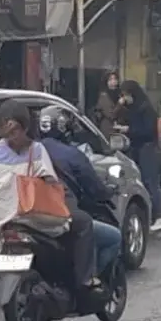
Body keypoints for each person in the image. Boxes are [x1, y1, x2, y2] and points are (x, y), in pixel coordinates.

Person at [0, 100, 100, 290]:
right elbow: (51, 183)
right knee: (83, 222)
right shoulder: (36, 150)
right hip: (32, 218)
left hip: (0, 221)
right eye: (9, 133)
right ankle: (85, 280)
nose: (12, 138)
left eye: (15, 132)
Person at [37, 105, 122, 275]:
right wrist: (109, 191)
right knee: (113, 237)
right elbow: (94, 187)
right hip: (58, 216)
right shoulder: (72, 155)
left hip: (24, 216)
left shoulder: (27, 152)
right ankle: (90, 279)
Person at [118, 80, 161, 232]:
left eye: (126, 95)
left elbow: (147, 132)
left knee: (150, 182)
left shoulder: (146, 109)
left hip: (148, 150)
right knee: (147, 182)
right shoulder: (135, 109)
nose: (125, 98)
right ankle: (157, 215)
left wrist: (128, 130)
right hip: (142, 149)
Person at [93, 70, 123, 138]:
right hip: (108, 129)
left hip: (119, 129)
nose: (113, 81)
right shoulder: (104, 96)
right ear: (106, 82)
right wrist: (119, 104)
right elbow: (111, 115)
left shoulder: (119, 93)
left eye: (115, 79)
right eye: (110, 79)